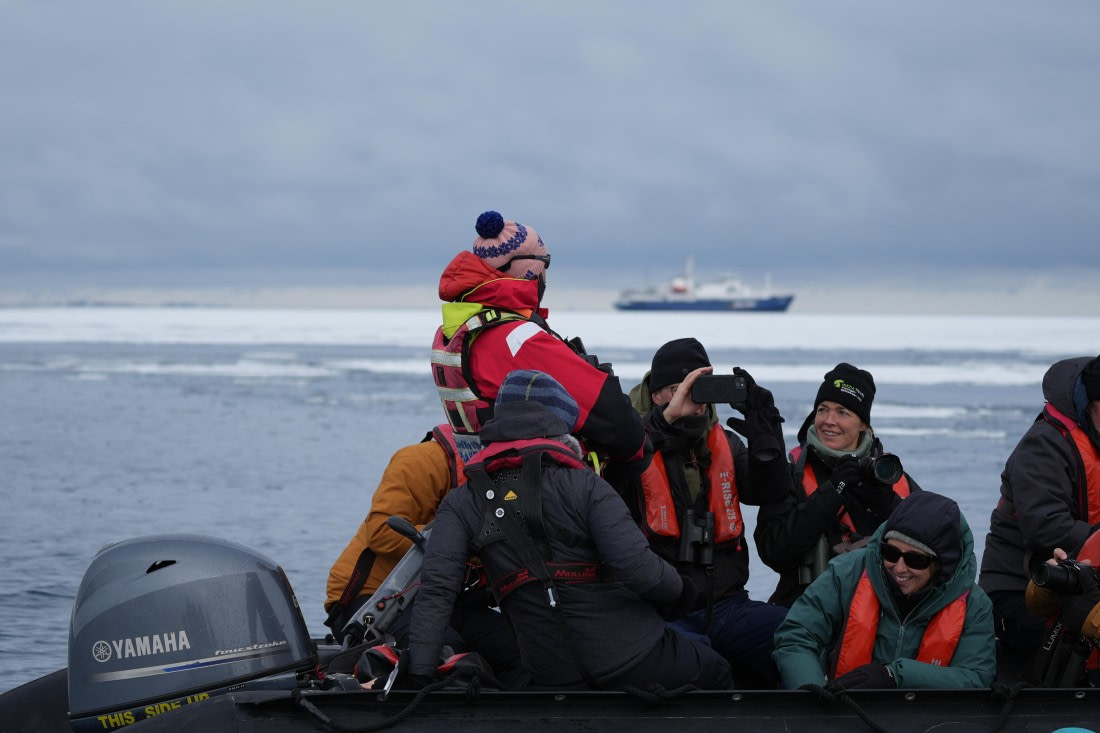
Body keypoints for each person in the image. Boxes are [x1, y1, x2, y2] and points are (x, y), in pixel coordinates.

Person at [407, 370, 732, 690]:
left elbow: (436, 592)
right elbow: (639, 570)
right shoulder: (586, 486)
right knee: (717, 670)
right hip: (634, 655)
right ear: (562, 426)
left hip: (551, 672)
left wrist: (420, 673)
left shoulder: (463, 501)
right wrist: (682, 589)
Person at [618, 337, 790, 688]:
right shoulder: (628, 445)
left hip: (726, 606)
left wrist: (766, 433)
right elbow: (613, 477)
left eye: (698, 387)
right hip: (659, 614)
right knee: (703, 667)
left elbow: (770, 492)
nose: (691, 399)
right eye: (677, 388)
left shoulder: (725, 442)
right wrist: (664, 424)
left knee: (797, 633)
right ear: (656, 396)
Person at [431, 210, 650, 473]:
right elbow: (617, 424)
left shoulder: (457, 329)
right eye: (545, 263)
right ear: (530, 270)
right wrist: (645, 445)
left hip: (484, 480)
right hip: (540, 488)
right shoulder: (516, 339)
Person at [323, 424, 526, 686]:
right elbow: (380, 532)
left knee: (526, 648)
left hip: (446, 602)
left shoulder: (521, 476)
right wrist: (459, 539)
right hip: (370, 603)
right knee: (444, 652)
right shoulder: (422, 460)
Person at [773, 490, 996, 690]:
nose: (899, 568)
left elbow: (976, 678)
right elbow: (797, 636)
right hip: (842, 711)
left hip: (928, 718)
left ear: (942, 564)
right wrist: (813, 695)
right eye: (890, 552)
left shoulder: (975, 605)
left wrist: (895, 675)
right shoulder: (845, 573)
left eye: (915, 559)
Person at [755, 362, 922, 608]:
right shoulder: (792, 472)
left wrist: (885, 505)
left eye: (843, 412)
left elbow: (930, 550)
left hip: (880, 606)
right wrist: (833, 492)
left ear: (863, 424)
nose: (829, 421)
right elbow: (773, 552)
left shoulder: (889, 475)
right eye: (823, 410)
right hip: (807, 605)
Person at [979, 354, 1100, 672]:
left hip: (1079, 583)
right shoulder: (1043, 445)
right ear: (1088, 403)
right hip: (1018, 591)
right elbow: (1046, 527)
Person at [1024, 538, 1100, 687]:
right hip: (1072, 670)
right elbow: (1035, 608)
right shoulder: (1094, 538)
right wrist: (1051, 583)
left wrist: (1093, 617)